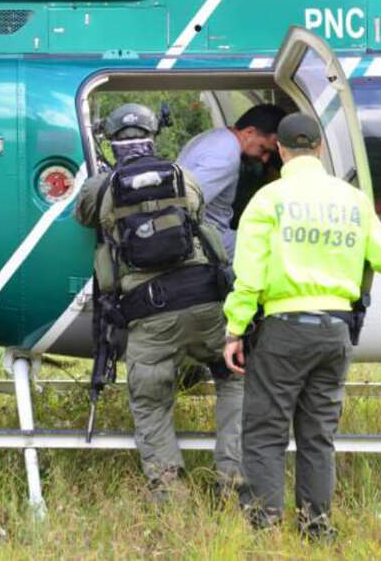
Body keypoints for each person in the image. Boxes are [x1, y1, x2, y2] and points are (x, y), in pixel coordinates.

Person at [222, 113, 381, 539]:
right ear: (321, 148)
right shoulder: (352, 200)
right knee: (317, 435)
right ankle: (317, 526)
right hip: (335, 332)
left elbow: (247, 275)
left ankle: (264, 527)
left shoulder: (269, 200)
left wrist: (235, 329)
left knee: (266, 431)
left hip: (284, 330)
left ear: (282, 151)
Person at [74, 103, 244, 499]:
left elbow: (84, 217)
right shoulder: (183, 176)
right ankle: (232, 477)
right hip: (204, 303)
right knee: (235, 378)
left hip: (148, 313)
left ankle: (170, 493)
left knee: (151, 402)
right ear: (153, 137)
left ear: (113, 143)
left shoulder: (101, 186)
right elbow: (200, 215)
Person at [178, 104, 287, 259]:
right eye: (263, 149)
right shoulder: (227, 156)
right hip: (207, 238)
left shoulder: (213, 137)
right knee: (275, 248)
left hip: (201, 233)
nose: (264, 159)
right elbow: (186, 203)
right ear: (249, 132)